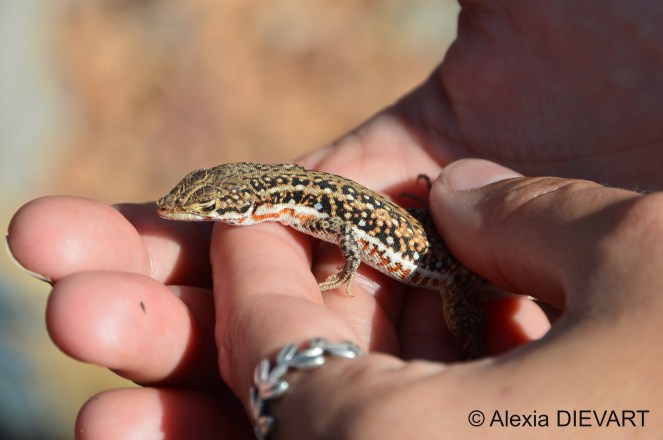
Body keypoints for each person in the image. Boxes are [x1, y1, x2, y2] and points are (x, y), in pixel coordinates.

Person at [8, 0, 663, 437]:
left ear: (249, 203)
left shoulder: (314, 203)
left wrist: (343, 275)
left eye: (206, 206)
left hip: (446, 267)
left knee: (467, 324)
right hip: (431, 238)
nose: (191, 213)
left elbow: (349, 231)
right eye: (198, 202)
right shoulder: (296, 196)